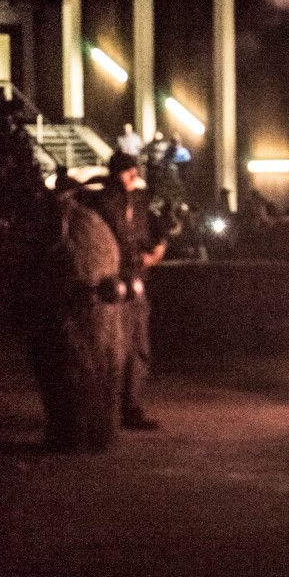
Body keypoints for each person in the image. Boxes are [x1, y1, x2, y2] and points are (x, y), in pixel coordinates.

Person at [14, 168, 127, 451]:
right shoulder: (95, 225)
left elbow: (39, 265)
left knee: (71, 375)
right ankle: (94, 435)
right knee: (94, 375)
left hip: (72, 314)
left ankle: (75, 435)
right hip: (92, 314)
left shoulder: (67, 224)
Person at [79, 151, 167, 430]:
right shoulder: (99, 203)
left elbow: (156, 234)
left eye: (135, 170)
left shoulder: (139, 203)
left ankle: (131, 407)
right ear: (115, 172)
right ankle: (105, 408)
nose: (133, 175)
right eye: (128, 170)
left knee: (138, 346)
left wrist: (155, 252)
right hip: (108, 285)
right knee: (109, 348)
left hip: (135, 282)